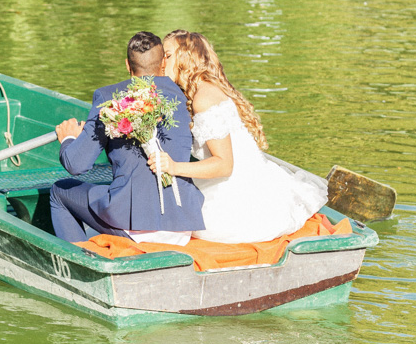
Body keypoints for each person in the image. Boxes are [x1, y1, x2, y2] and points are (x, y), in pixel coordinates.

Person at [147, 30, 326, 244]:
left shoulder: (204, 99)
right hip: (242, 182)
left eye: (167, 55)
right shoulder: (202, 90)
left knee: (182, 223)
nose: (161, 62)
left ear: (187, 58)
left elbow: (224, 165)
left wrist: (173, 167)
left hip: (238, 199)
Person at [49, 31, 205, 246]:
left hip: (136, 229)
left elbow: (76, 164)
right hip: (182, 223)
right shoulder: (183, 96)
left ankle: (81, 262)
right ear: (163, 63)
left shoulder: (108, 97)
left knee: (60, 191)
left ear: (127, 65)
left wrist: (69, 139)